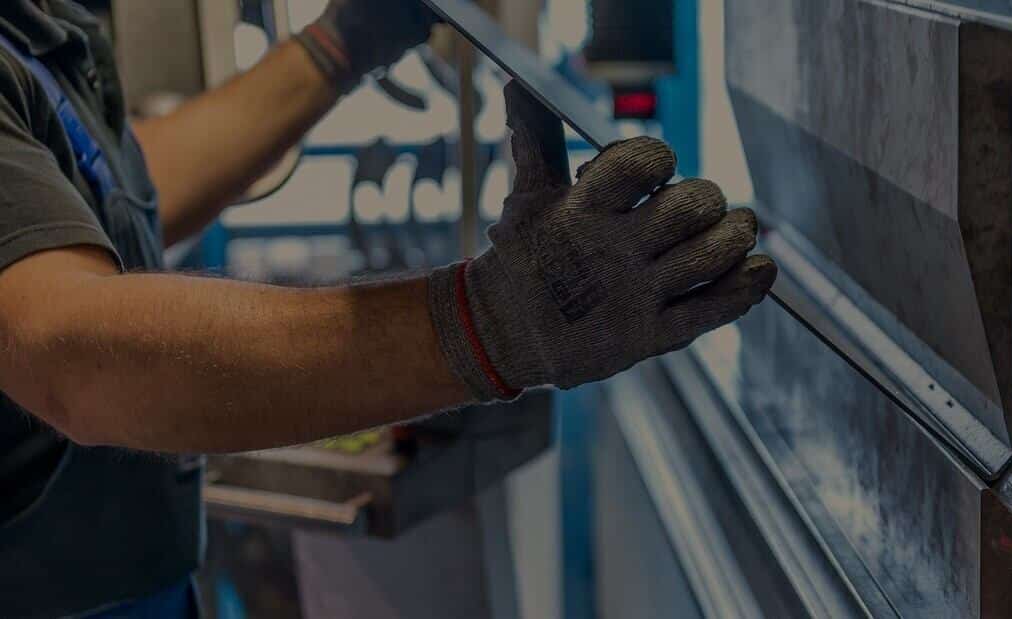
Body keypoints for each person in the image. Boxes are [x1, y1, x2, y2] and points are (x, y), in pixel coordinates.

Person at [0, 1, 776, 617]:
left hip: (139, 588)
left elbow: (103, 196)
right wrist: (488, 323)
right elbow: (74, 356)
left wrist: (343, 42)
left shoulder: (31, 27)